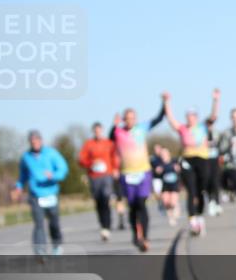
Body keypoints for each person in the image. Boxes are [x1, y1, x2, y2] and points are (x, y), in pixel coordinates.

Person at [111, 96, 166, 252]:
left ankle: (146, 237)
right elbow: (110, 137)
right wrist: (113, 126)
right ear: (123, 120)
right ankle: (136, 234)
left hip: (143, 172)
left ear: (135, 119)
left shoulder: (142, 128)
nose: (130, 121)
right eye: (127, 119)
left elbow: (158, 119)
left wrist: (164, 103)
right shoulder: (118, 132)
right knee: (133, 206)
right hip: (127, 174)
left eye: (132, 118)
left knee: (142, 204)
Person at [164, 89, 220, 235]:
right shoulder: (182, 128)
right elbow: (170, 119)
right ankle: (192, 220)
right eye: (187, 116)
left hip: (202, 159)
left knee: (201, 190)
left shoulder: (202, 126)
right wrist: (166, 102)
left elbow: (213, 116)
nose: (190, 119)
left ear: (196, 117)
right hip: (187, 160)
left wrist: (215, 100)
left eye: (192, 116)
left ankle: (200, 216)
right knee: (191, 191)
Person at [11, 131, 69, 256]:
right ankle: (40, 250)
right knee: (39, 223)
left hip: (51, 193)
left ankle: (57, 244)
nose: (35, 143)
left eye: (37, 141)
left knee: (54, 222)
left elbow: (63, 169)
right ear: (30, 143)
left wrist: (53, 175)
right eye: (32, 142)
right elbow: (23, 175)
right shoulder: (26, 157)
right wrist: (18, 187)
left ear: (41, 141)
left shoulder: (51, 153)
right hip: (35, 195)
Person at [78, 122, 120, 241]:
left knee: (106, 198)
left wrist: (116, 169)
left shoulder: (109, 143)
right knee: (98, 201)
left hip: (107, 175)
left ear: (102, 131)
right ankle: (102, 225)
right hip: (94, 176)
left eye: (99, 130)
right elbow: (81, 160)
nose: (97, 133)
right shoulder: (88, 144)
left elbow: (115, 157)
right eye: (95, 131)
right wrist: (91, 163)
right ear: (93, 131)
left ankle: (107, 226)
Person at [153, 146, 182, 225]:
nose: (164, 155)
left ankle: (176, 206)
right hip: (165, 185)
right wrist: (157, 171)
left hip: (174, 185)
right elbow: (155, 173)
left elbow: (180, 169)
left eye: (165, 154)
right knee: (166, 202)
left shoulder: (174, 161)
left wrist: (178, 168)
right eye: (162, 154)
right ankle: (171, 217)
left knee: (172, 202)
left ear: (168, 154)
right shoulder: (159, 163)